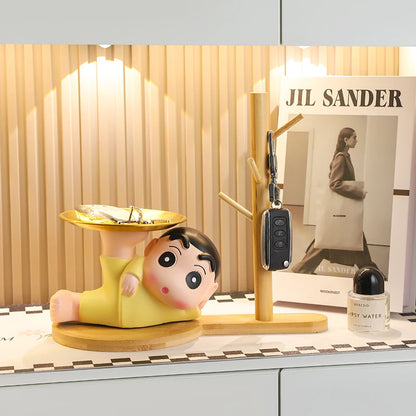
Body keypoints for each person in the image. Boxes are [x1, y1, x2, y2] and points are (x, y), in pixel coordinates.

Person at [50, 226, 220, 328]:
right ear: (150, 248)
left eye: (193, 280)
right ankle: (74, 305)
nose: (173, 281)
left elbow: (194, 312)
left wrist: (199, 303)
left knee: (98, 306)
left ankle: (75, 307)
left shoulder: (186, 311)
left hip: (112, 307)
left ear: (208, 291)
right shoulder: (138, 265)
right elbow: (139, 262)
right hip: (118, 295)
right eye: (167, 259)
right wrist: (132, 274)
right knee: (113, 276)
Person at [291, 127, 378, 275]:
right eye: (354, 137)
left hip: (344, 209)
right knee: (342, 239)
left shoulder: (345, 156)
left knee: (330, 240)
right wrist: (358, 192)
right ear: (346, 139)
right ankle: (371, 271)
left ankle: (302, 269)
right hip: (344, 209)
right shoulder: (341, 158)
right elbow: (334, 183)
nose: (356, 140)